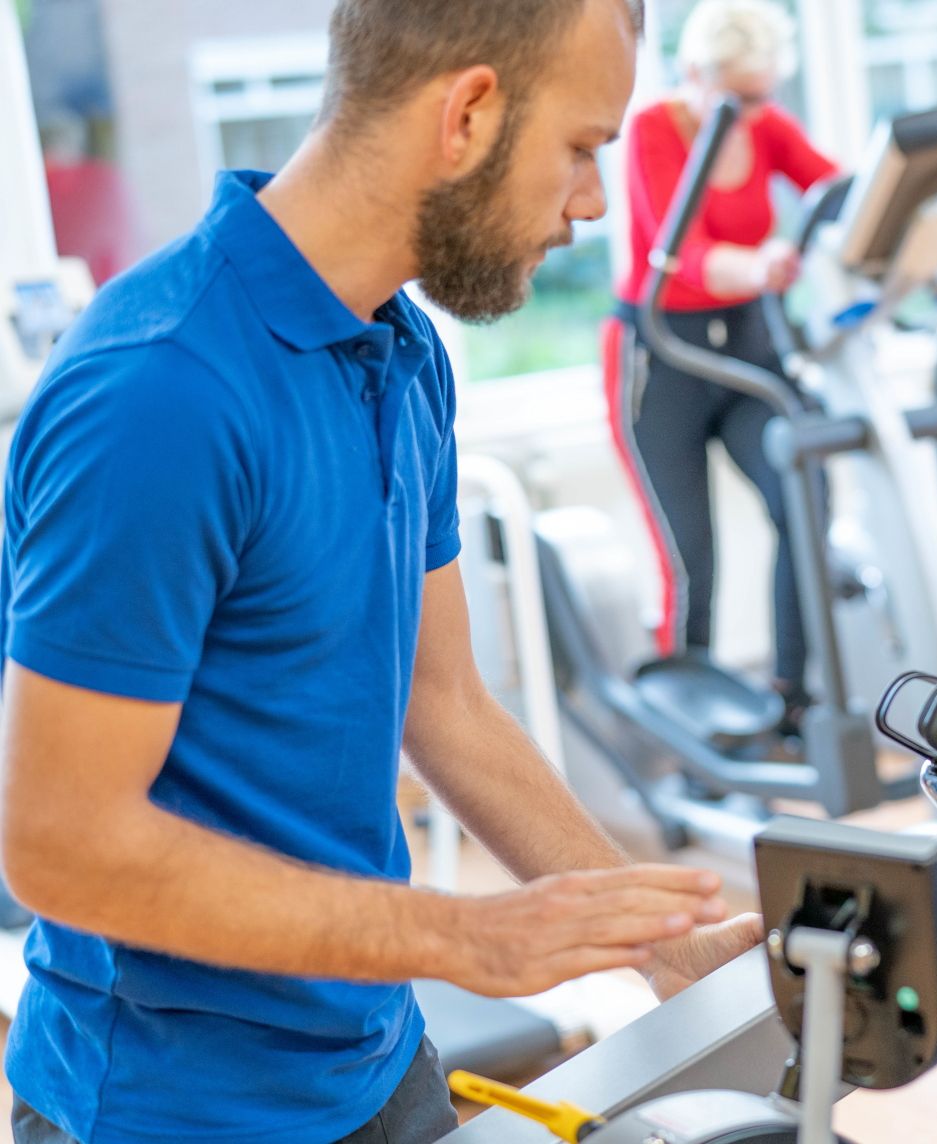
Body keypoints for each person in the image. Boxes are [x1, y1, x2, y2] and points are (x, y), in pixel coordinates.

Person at [0, 1, 761, 1141]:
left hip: (373, 1058)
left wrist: (673, 950)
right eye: (581, 147)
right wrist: (461, 935)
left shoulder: (401, 350)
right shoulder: (158, 393)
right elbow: (58, 844)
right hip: (168, 1110)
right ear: (466, 115)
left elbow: (444, 703)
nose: (594, 199)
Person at [611, 0, 836, 728]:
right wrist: (763, 262)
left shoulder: (765, 124)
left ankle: (787, 702)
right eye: (735, 96)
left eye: (761, 94)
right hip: (662, 351)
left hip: (744, 348)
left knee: (801, 500)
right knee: (691, 557)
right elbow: (681, 254)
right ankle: (689, 723)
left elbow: (834, 190)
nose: (750, 112)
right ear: (694, 75)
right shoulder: (651, 130)